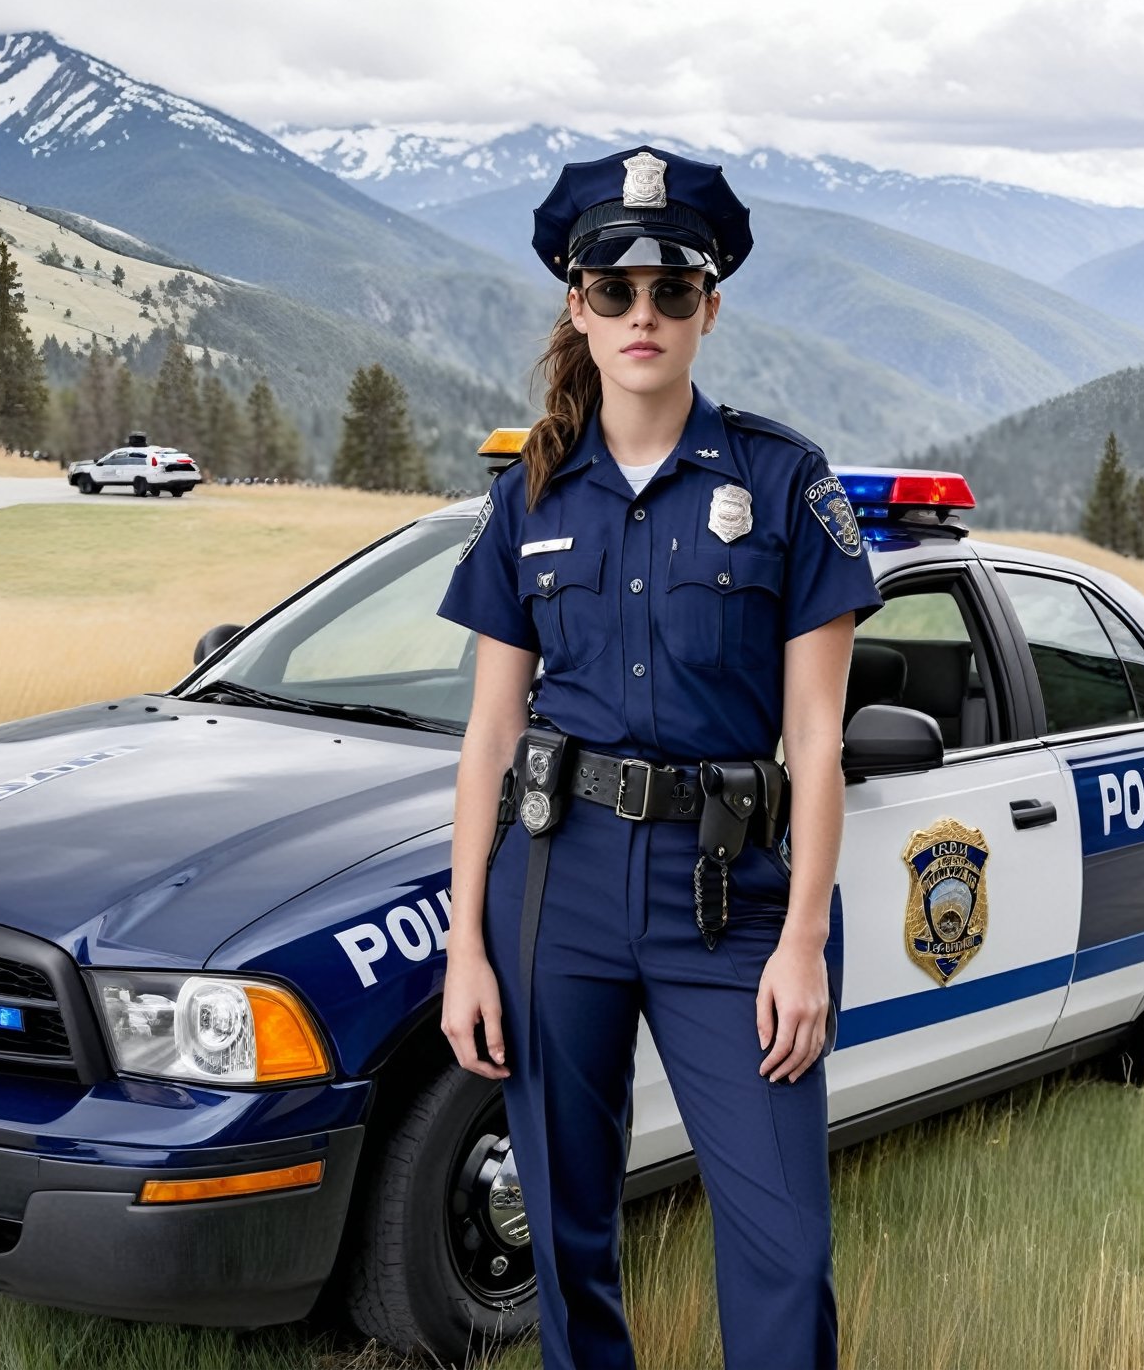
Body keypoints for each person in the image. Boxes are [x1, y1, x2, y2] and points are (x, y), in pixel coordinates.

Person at [435, 145, 884, 1370]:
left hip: (733, 897)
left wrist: (800, 942)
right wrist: (466, 943)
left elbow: (816, 741)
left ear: (710, 308)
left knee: (783, 1241)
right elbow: (489, 735)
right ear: (576, 306)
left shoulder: (785, 484)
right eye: (614, 290)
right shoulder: (529, 491)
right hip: (556, 890)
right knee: (568, 1237)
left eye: (671, 290)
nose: (643, 315)